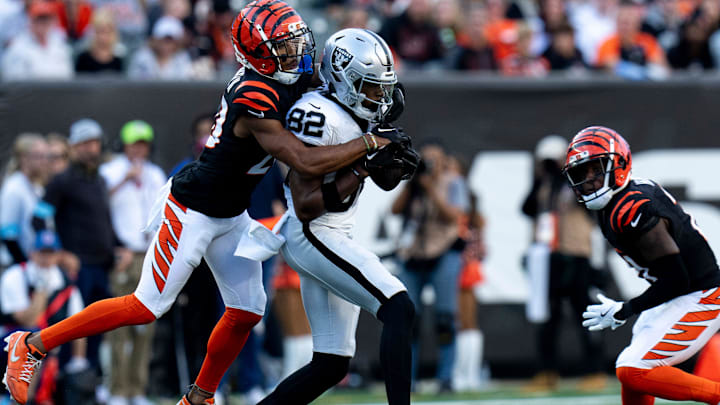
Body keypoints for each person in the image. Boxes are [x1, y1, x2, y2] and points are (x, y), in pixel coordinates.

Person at [3, 2, 405, 404]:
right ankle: (33, 344)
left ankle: (199, 397)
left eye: (297, 43)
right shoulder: (254, 93)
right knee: (147, 304)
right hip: (192, 209)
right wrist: (369, 144)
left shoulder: (285, 78)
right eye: (284, 47)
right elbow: (300, 158)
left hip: (230, 213)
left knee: (247, 310)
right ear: (257, 55)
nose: (296, 54)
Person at [256, 28, 417, 405]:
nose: (379, 98)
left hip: (332, 232)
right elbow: (307, 204)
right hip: (312, 232)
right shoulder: (316, 116)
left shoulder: (353, 108)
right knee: (398, 307)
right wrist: (362, 165)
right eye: (371, 87)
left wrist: (384, 163)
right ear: (342, 78)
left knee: (331, 363)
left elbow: (384, 173)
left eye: (382, 88)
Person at [563, 126, 720, 405]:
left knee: (632, 368)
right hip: (683, 294)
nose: (589, 180)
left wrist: (626, 309)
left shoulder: (632, 208)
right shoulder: (621, 197)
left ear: (619, 164)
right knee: (633, 362)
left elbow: (677, 279)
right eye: (581, 173)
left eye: (595, 168)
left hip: (703, 296)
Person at [522, 134, 605, 392]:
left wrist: (565, 175)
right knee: (548, 316)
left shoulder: (577, 183)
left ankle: (594, 369)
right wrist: (541, 178)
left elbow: (591, 208)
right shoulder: (544, 186)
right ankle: (547, 371)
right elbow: (526, 208)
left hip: (577, 254)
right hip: (549, 257)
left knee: (585, 312)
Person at [391, 140, 469, 392]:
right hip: (413, 254)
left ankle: (446, 377)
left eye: (434, 159)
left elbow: (454, 216)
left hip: (444, 252)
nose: (430, 164)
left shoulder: (453, 182)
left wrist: (432, 190)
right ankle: (407, 379)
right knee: (407, 317)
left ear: (444, 160)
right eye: (426, 159)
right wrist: (412, 183)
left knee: (445, 317)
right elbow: (394, 210)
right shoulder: (413, 183)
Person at [99, 120, 166, 405]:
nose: (140, 149)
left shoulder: (155, 173)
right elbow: (99, 210)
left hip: (148, 254)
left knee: (145, 326)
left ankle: (137, 389)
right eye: (134, 143)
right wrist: (125, 180)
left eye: (144, 143)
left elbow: (163, 212)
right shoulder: (109, 172)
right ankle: (116, 389)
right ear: (124, 145)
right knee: (117, 326)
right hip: (123, 254)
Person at [0, 230, 88, 405]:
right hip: (9, 345)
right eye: (42, 253)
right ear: (32, 253)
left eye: (51, 253)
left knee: (47, 347)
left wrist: (78, 361)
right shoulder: (16, 275)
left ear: (58, 256)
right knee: (31, 341)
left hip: (50, 349)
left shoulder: (66, 284)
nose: (46, 259)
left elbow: (80, 325)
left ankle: (39, 397)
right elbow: (28, 320)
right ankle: (22, 400)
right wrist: (41, 290)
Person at [0, 133, 50, 266]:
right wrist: (23, 266)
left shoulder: (38, 188)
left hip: (34, 263)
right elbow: (8, 234)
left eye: (46, 156)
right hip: (15, 263)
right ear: (23, 158)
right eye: (38, 156)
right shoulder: (14, 188)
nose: (44, 161)